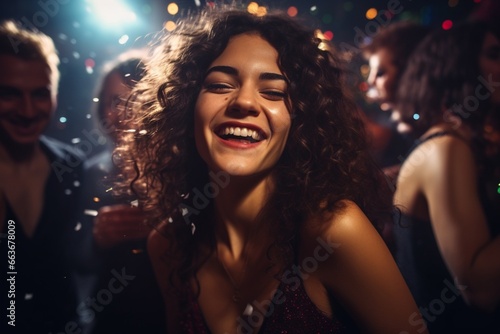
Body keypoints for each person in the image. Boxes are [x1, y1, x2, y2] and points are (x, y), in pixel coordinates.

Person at [115, 7, 426, 334]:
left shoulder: (333, 232)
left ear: (301, 122)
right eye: (220, 85)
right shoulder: (168, 244)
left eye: (274, 92)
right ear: (186, 107)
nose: (245, 102)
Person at [392, 21, 500, 333]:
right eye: (494, 54)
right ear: (459, 66)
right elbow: (480, 291)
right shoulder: (446, 148)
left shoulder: (461, 145)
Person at [0, 20, 87, 332]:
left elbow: (78, 260)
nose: (26, 110)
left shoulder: (72, 165)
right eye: (9, 94)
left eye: (40, 94)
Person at [78, 52, 165, 333]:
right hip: (111, 320)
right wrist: (97, 241)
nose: (122, 114)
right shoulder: (89, 174)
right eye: (113, 102)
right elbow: (67, 259)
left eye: (134, 101)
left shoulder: (182, 171)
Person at [361, 21, 430, 180]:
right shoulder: (402, 125)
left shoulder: (429, 129)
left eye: (380, 73)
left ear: (409, 72)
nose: (371, 82)